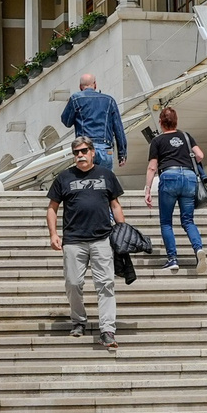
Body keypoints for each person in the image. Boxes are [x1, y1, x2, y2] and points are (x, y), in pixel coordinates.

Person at [46, 134, 125, 352]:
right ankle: (79, 321)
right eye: (76, 152)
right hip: (73, 240)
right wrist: (53, 234)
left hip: (102, 238)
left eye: (83, 151)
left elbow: (115, 205)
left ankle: (107, 330)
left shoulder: (106, 175)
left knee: (106, 284)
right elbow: (52, 208)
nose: (80, 155)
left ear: (92, 152)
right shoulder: (64, 177)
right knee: (73, 283)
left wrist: (122, 231)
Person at [145, 105, 206, 271]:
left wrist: (147, 189)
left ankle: (172, 259)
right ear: (176, 121)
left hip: (169, 177)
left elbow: (152, 167)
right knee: (188, 220)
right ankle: (198, 249)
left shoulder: (157, 141)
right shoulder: (186, 136)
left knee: (166, 222)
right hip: (189, 178)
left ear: (161, 122)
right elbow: (200, 155)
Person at [57, 72, 127, 173]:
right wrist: (122, 154)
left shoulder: (76, 98)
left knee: (86, 180)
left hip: (84, 148)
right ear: (95, 85)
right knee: (105, 179)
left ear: (80, 87)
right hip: (105, 148)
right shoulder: (109, 100)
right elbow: (118, 129)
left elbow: (66, 122)